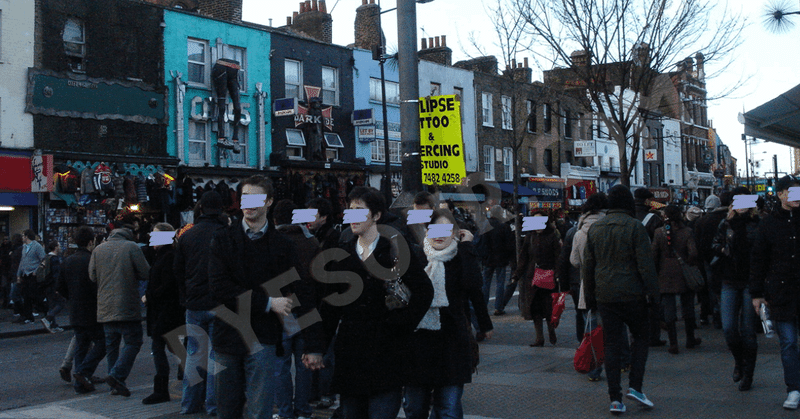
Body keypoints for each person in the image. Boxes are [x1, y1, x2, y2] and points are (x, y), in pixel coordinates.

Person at [208, 175, 322, 419]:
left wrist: (313, 345)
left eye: (256, 197)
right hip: (226, 336)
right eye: (244, 197)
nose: (248, 203)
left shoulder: (283, 246)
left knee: (260, 411)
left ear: (269, 201)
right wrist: (269, 303)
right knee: (226, 410)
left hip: (263, 338)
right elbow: (220, 288)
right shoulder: (222, 239)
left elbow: (301, 292)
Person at [319, 186, 433, 419]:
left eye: (359, 211)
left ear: (377, 216)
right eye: (349, 211)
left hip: (386, 351)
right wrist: (316, 347)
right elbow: (330, 305)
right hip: (351, 352)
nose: (351, 217)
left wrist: (400, 323)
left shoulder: (396, 250)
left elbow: (424, 292)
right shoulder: (341, 254)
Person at [403, 209, 492, 419]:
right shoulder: (416, 257)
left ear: (456, 233)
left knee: (449, 409)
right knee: (415, 408)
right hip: (419, 345)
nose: (440, 234)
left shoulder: (462, 257)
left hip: (452, 343)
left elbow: (474, 287)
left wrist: (467, 246)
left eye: (446, 229)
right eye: (434, 229)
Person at [582, 185, 659, 414]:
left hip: (605, 295)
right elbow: (646, 266)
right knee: (641, 338)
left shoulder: (596, 229)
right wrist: (653, 295)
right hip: (633, 294)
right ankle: (635, 386)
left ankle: (615, 398)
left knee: (612, 345)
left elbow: (588, 267)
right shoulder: (636, 227)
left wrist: (590, 299)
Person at [175, 191, 228, 416]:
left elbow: (177, 271)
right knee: (216, 356)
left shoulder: (187, 235)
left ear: (201, 208)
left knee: (194, 354)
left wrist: (185, 297)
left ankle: (189, 404)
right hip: (220, 302)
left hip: (194, 302)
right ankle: (213, 404)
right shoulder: (227, 234)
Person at [750, 176, 800, 409]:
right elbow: (759, 259)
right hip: (781, 292)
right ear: (780, 194)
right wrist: (757, 293)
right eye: (792, 192)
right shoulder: (768, 223)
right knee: (788, 343)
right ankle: (794, 389)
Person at [89, 220, 151, 397]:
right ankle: (116, 375)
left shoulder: (98, 250)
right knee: (133, 342)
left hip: (105, 306)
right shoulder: (131, 247)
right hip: (127, 304)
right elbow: (146, 272)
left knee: (111, 347)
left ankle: (115, 384)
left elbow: (92, 276)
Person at [273, 199, 320, 419]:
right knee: (305, 363)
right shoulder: (311, 242)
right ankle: (303, 410)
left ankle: (285, 412)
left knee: (281, 364)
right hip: (308, 306)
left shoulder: (271, 242)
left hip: (282, 307)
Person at [712, 186, 759, 391]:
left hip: (750, 281)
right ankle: (739, 361)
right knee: (729, 327)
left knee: (748, 331)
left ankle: (748, 373)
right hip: (729, 280)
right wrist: (724, 249)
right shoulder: (726, 223)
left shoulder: (758, 224)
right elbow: (714, 244)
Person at [58, 227, 106, 394]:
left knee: (81, 345)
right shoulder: (92, 260)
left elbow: (60, 287)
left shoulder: (67, 261)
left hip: (75, 310)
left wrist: (72, 298)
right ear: (91, 242)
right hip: (92, 309)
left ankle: (81, 382)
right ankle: (83, 373)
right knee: (102, 342)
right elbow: (98, 285)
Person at [141, 223, 185, 404]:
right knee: (173, 347)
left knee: (158, 349)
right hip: (164, 312)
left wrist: (149, 297)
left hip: (165, 313)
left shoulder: (168, 257)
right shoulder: (162, 256)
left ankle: (161, 390)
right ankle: (191, 375)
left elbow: (167, 286)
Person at [569, 193, 609, 381]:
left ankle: (594, 369)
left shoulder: (579, 233)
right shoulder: (610, 227)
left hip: (589, 286)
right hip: (611, 283)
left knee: (591, 329)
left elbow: (574, 261)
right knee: (612, 328)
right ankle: (620, 363)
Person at [651, 205, 701, 355]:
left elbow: (653, 255)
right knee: (688, 307)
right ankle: (690, 338)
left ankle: (673, 343)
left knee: (669, 309)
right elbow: (693, 252)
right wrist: (688, 263)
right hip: (684, 273)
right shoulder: (687, 232)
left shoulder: (659, 233)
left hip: (665, 274)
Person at [514, 210, 562, 347]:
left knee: (548, 308)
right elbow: (524, 258)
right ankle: (539, 337)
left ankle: (551, 331)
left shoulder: (552, 236)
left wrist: (557, 274)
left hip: (548, 277)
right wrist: (517, 274)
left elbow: (558, 257)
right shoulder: (530, 237)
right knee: (535, 308)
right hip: (533, 277)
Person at [694, 192, 733, 328]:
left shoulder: (702, 221)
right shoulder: (729, 219)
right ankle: (725, 315)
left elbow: (698, 243)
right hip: (727, 258)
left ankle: (715, 315)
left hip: (708, 260)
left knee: (712, 288)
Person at [481, 206, 515, 316]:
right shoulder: (504, 226)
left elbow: (482, 243)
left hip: (488, 258)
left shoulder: (485, 225)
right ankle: (498, 307)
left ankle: (483, 307)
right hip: (501, 258)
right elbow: (509, 244)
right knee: (500, 283)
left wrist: (483, 256)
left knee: (486, 283)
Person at [15, 229, 46, 324]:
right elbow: (22, 261)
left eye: (23, 235)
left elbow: (44, 259)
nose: (22, 237)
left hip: (33, 274)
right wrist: (18, 274)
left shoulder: (36, 246)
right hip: (25, 274)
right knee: (26, 296)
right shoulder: (24, 247)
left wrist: (37, 270)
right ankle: (28, 317)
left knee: (34, 295)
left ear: (27, 236)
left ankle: (47, 312)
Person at [39, 241, 65, 333]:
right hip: (53, 285)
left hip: (47, 284)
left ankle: (52, 325)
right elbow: (56, 275)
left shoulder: (46, 257)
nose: (60, 247)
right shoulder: (55, 259)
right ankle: (48, 318)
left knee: (51, 304)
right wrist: (58, 287)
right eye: (59, 245)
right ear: (55, 247)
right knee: (61, 303)